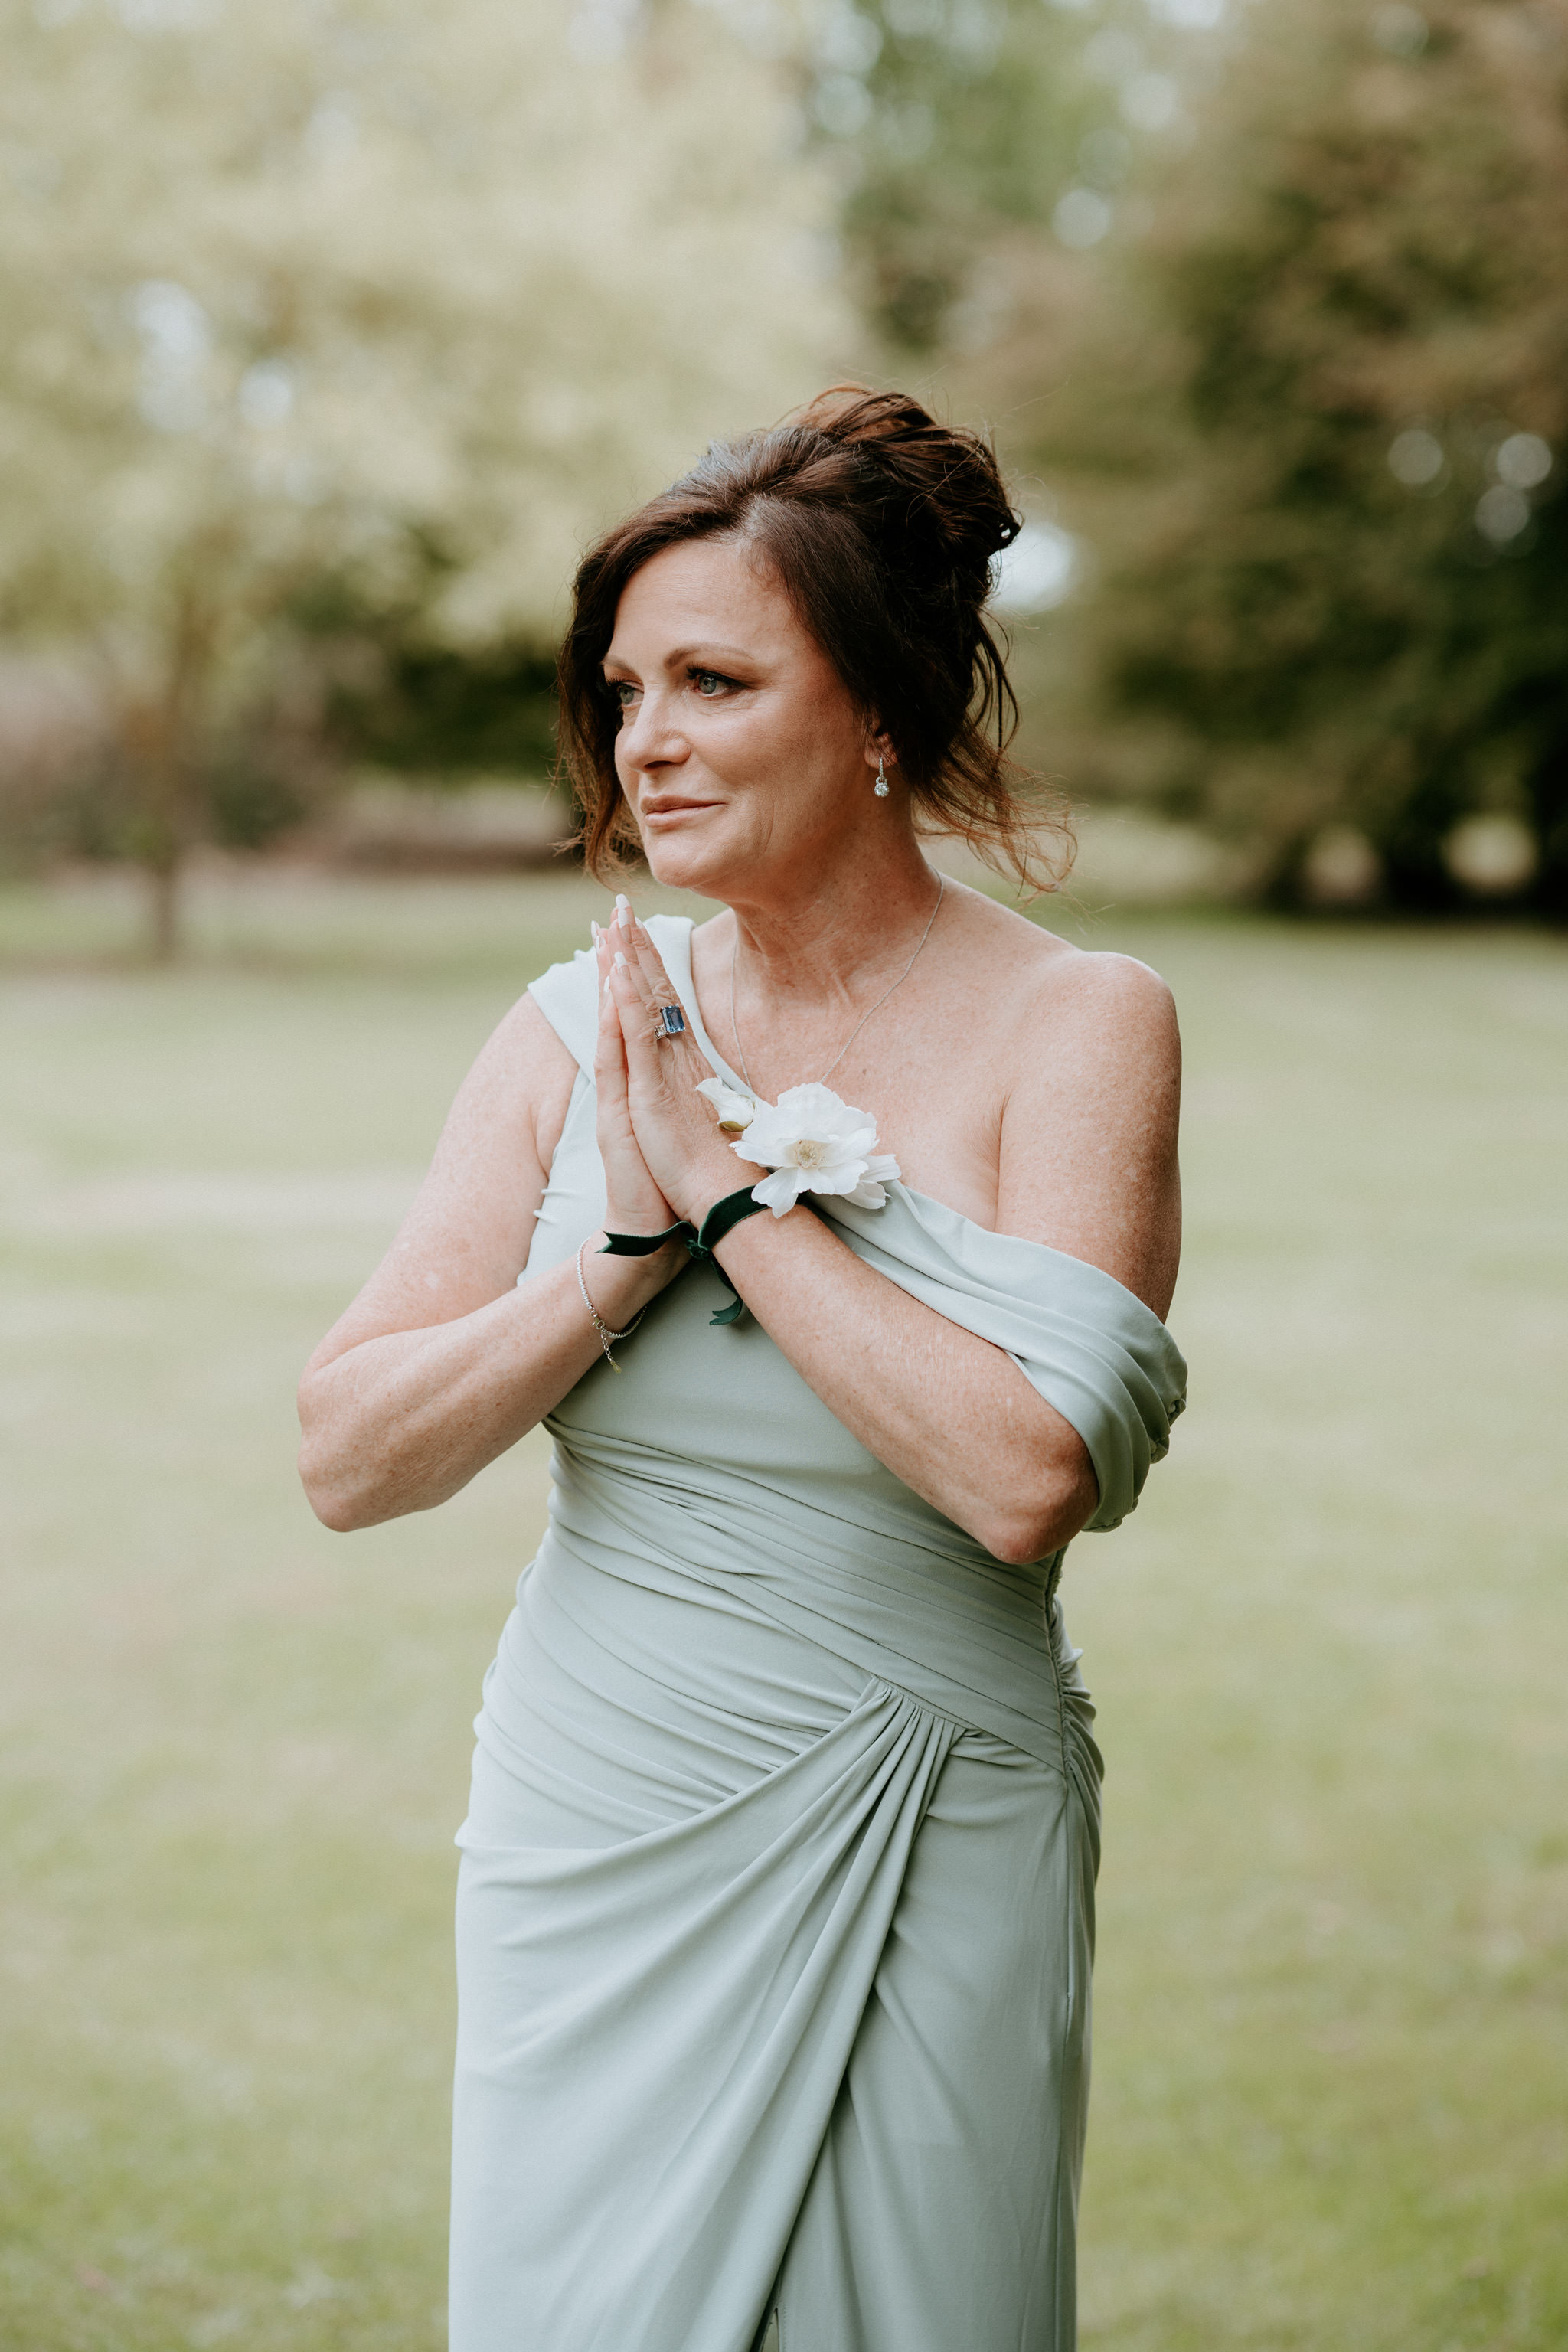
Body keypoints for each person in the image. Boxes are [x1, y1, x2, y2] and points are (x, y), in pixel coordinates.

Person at [297, 387, 1186, 2352]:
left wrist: (728, 1192)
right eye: (627, 690)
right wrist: (620, 1254)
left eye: (712, 681)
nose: (647, 741)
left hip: (926, 1814)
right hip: (597, 1816)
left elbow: (1025, 1477)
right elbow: (349, 1455)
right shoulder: (574, 1026)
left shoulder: (1081, 1028)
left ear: (877, 711)